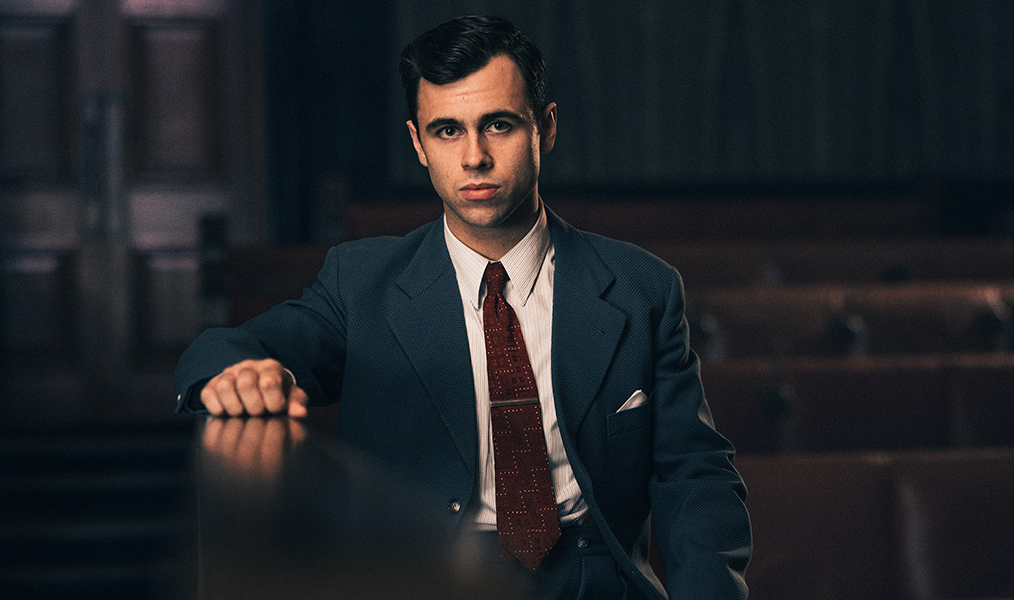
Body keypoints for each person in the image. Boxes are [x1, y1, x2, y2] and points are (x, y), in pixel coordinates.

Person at [174, 14, 751, 599]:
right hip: (425, 577)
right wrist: (231, 376)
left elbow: (694, 475)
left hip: (593, 577)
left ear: (544, 129)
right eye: (447, 131)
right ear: (418, 144)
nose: (474, 157)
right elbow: (231, 349)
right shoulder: (363, 282)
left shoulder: (641, 287)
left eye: (497, 125)